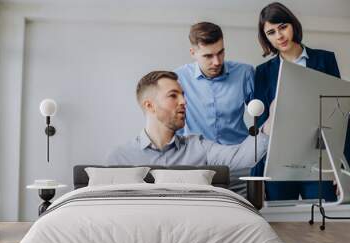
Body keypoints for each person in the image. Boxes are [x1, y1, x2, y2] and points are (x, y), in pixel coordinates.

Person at [252, 2, 345, 201]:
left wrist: (341, 166)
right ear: (266, 37)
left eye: (283, 27)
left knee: (324, 221)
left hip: (319, 160)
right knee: (282, 224)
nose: (279, 36)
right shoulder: (262, 72)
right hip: (279, 162)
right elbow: (261, 124)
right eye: (271, 32)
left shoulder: (325, 60)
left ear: (293, 25)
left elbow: (338, 115)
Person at [107, 71, 272, 171]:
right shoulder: (119, 158)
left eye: (183, 95)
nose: (184, 101)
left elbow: (244, 157)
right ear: (150, 106)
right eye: (173, 95)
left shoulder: (199, 147)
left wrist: (271, 121)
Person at [174, 22, 254, 146]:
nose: (217, 62)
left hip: (238, 153)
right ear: (193, 53)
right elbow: (174, 124)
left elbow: (262, 115)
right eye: (208, 56)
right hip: (197, 157)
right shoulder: (179, 78)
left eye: (220, 52)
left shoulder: (245, 73)